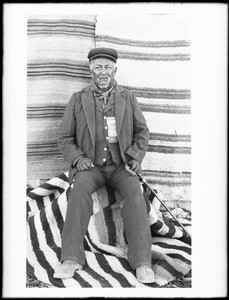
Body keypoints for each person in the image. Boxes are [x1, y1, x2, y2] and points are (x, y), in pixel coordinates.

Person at [54, 47, 155, 283]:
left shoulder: (128, 97)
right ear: (90, 69)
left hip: (122, 166)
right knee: (78, 192)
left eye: (107, 67)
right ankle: (70, 259)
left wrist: (134, 158)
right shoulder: (78, 98)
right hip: (92, 168)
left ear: (115, 69)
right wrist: (79, 159)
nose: (103, 72)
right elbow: (64, 138)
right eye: (98, 67)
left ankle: (142, 263)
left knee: (135, 194)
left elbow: (142, 132)